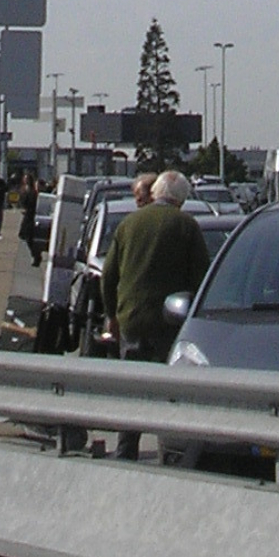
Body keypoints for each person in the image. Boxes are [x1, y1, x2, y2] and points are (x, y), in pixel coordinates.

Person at [100, 170, 209, 458]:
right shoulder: (186, 226)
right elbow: (201, 277)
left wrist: (112, 314)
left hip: (131, 319)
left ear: (155, 194)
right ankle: (169, 450)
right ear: (181, 200)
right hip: (168, 322)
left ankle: (126, 449)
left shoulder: (128, 224)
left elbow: (108, 276)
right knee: (168, 390)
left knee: (133, 387)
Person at [17, 168, 41, 265]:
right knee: (23, 235)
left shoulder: (33, 191)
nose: (25, 180)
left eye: (27, 179)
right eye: (24, 178)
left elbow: (34, 203)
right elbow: (21, 201)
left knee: (29, 236)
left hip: (31, 215)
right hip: (26, 214)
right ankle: (36, 254)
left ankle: (36, 256)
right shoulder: (23, 190)